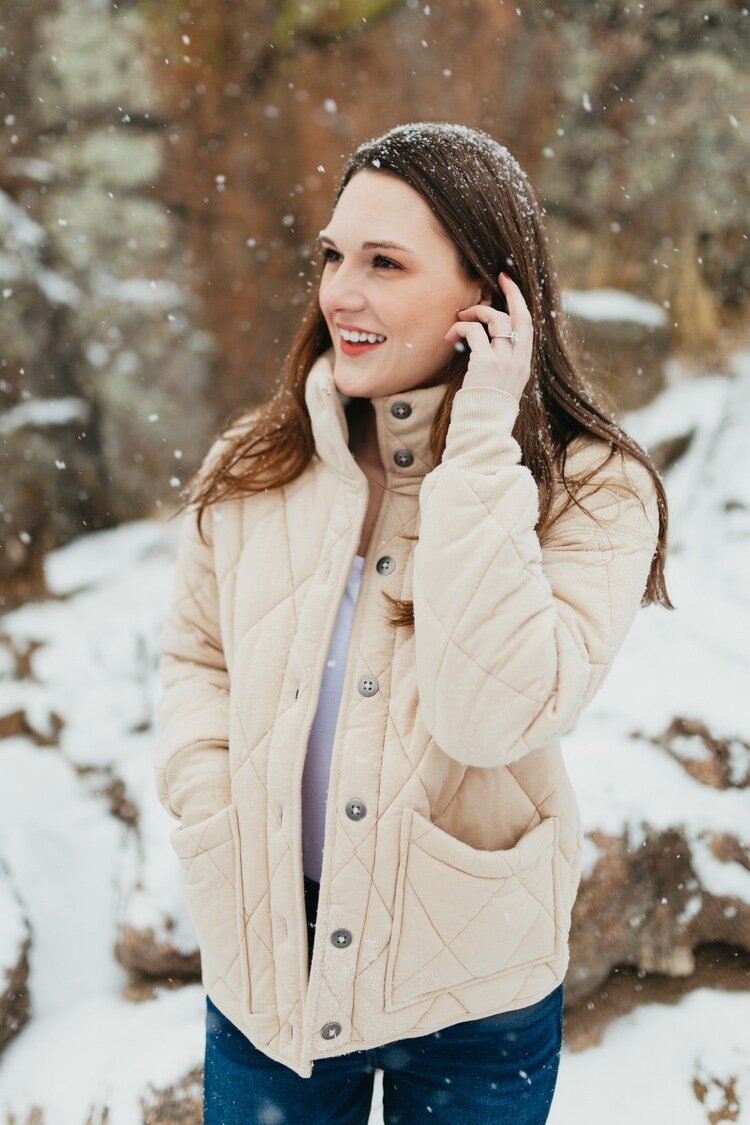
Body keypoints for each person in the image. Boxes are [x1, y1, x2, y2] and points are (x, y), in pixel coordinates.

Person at [153, 121, 673, 1124]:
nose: (341, 292)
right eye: (334, 256)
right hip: (271, 963)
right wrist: (209, 801)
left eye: (385, 263)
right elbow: (196, 658)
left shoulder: (593, 491)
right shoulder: (254, 463)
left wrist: (482, 445)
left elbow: (493, 718)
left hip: (474, 992)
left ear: (493, 297)